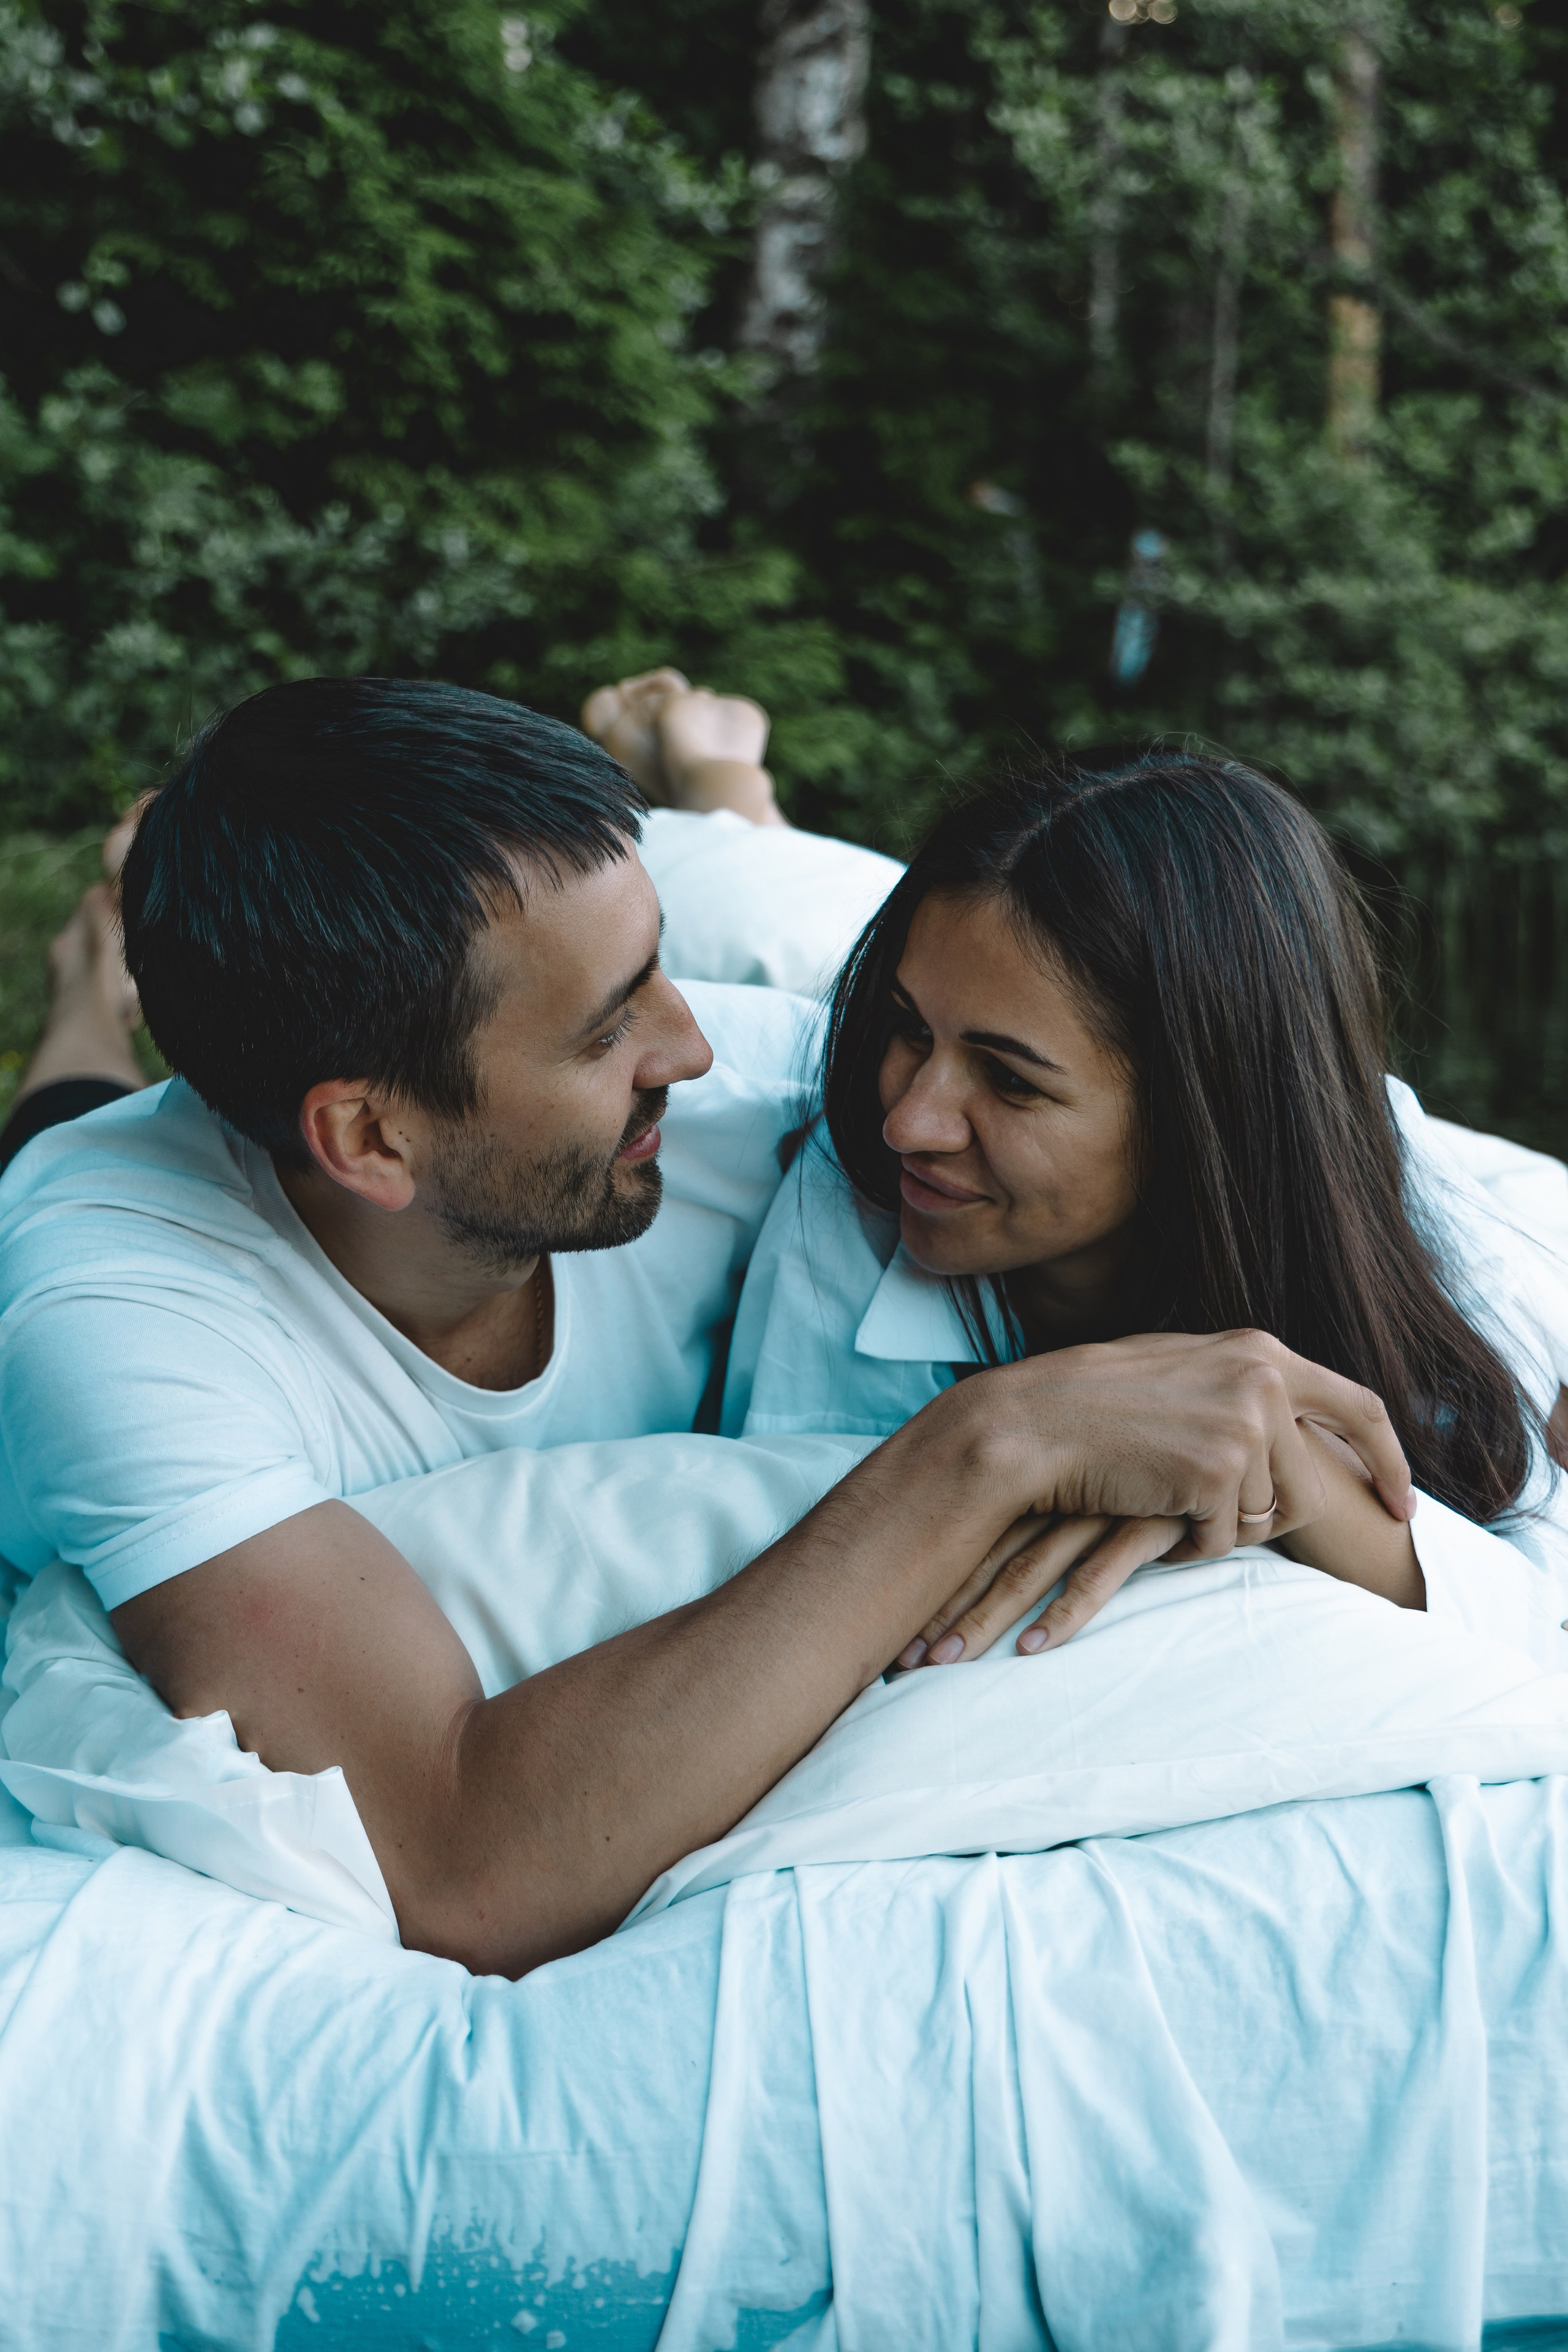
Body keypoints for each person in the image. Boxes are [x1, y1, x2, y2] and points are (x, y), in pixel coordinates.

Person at [0, 677, 1415, 1978]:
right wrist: (989, 1441)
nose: (688, 1044)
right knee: (61, 1121)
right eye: (610, 1029)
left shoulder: (766, 1095)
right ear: (371, 1135)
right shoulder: (123, 1317)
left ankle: (720, 795)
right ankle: (87, 997)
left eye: (660, 966)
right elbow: (453, 1868)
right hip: (92, 1209)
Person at [724, 751, 1568, 1670]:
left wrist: (1286, 1468)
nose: (906, 1123)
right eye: (906, 1029)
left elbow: (1534, 1604)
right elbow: (811, 1579)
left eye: (1010, 1081)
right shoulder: (843, 1203)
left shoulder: (1402, 1198)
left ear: (1207, 1112)